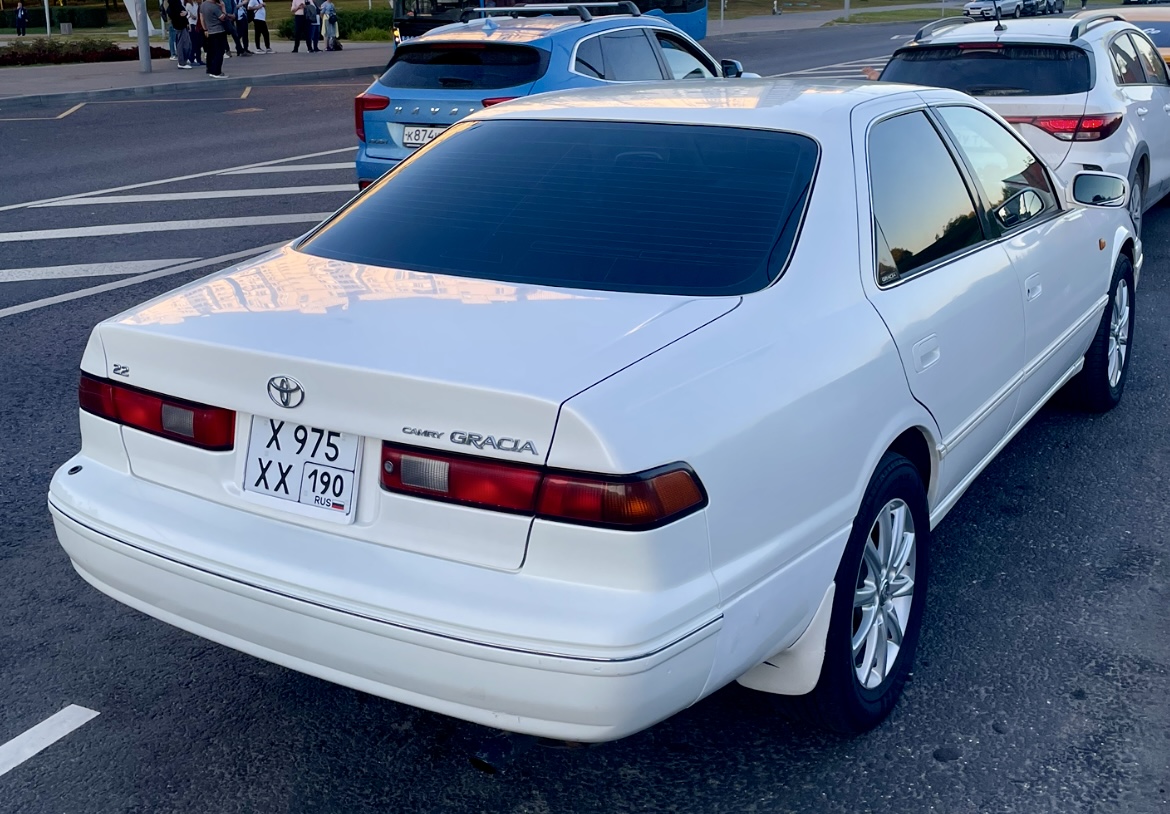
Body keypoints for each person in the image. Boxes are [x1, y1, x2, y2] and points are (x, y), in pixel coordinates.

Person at [199, 0, 229, 77]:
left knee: (211, 52)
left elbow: (202, 18)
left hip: (210, 31)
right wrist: (223, 7)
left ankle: (210, 69)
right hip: (218, 30)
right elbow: (223, 17)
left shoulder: (203, 5)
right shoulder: (214, 7)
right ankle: (217, 71)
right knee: (219, 52)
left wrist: (205, 29)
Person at [170, 0, 196, 68]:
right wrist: (186, 15)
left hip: (181, 24)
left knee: (185, 43)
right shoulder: (175, 4)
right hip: (180, 25)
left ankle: (183, 60)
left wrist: (186, 20)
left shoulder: (175, 4)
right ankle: (182, 62)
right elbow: (180, 13)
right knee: (183, 44)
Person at [185, 0, 205, 65]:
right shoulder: (189, 5)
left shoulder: (197, 5)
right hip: (192, 25)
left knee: (199, 43)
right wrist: (193, 16)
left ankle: (198, 59)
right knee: (194, 43)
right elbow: (191, 15)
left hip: (197, 25)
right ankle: (191, 59)